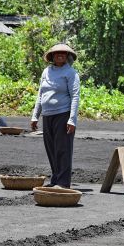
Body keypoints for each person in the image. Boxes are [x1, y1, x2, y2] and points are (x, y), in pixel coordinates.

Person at [30, 43, 80, 188]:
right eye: (57, 53)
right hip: (47, 115)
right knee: (51, 149)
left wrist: (72, 119)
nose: (60, 55)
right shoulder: (46, 71)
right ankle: (55, 180)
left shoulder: (71, 73)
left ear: (67, 56)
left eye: (63, 53)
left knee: (62, 149)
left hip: (63, 115)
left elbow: (75, 96)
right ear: (51, 56)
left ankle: (63, 183)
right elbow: (41, 94)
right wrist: (35, 116)